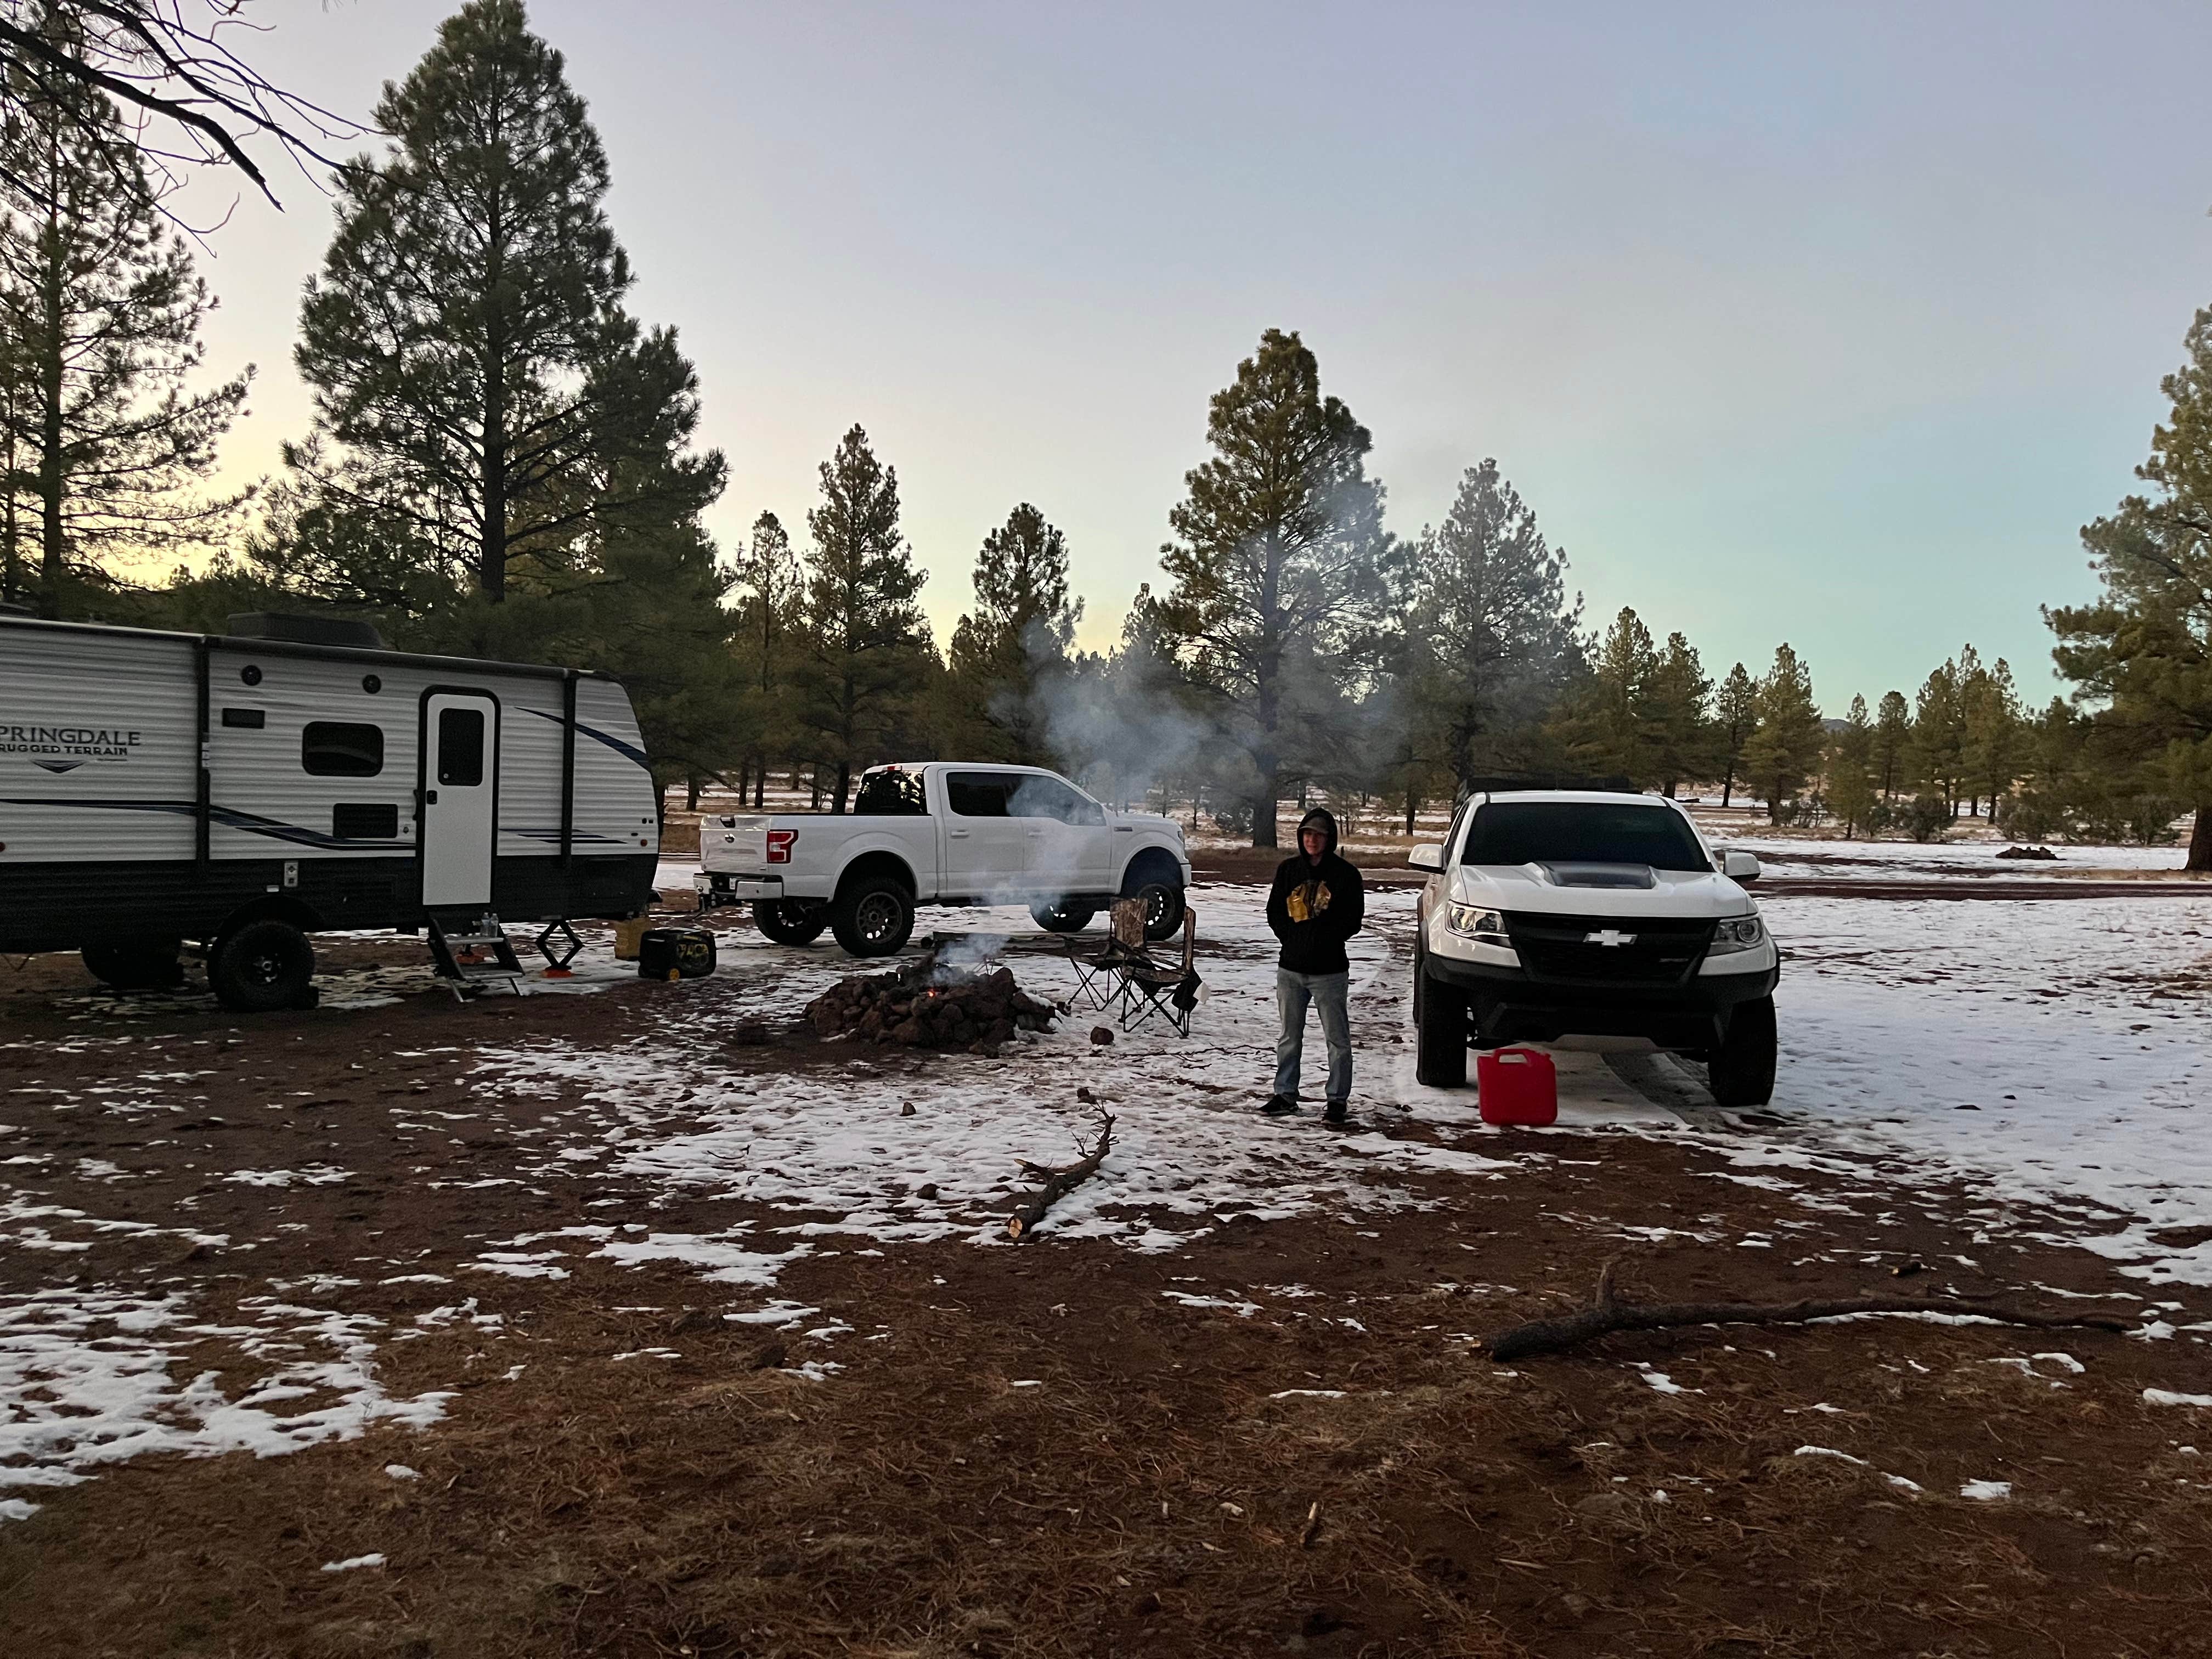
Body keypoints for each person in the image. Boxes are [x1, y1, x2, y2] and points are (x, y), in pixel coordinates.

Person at [1262, 806, 1364, 1124]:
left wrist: (1325, 939)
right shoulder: (1288, 870)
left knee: (1337, 1039)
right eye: (1307, 834)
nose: (1312, 840)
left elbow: (1353, 920)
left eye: (1319, 835)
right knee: (1289, 1037)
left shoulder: (1347, 875)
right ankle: (1285, 1095)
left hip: (1330, 972)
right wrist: (1291, 941)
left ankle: (1336, 1100)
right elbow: (1275, 913)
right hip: (1290, 969)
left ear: (1329, 839)